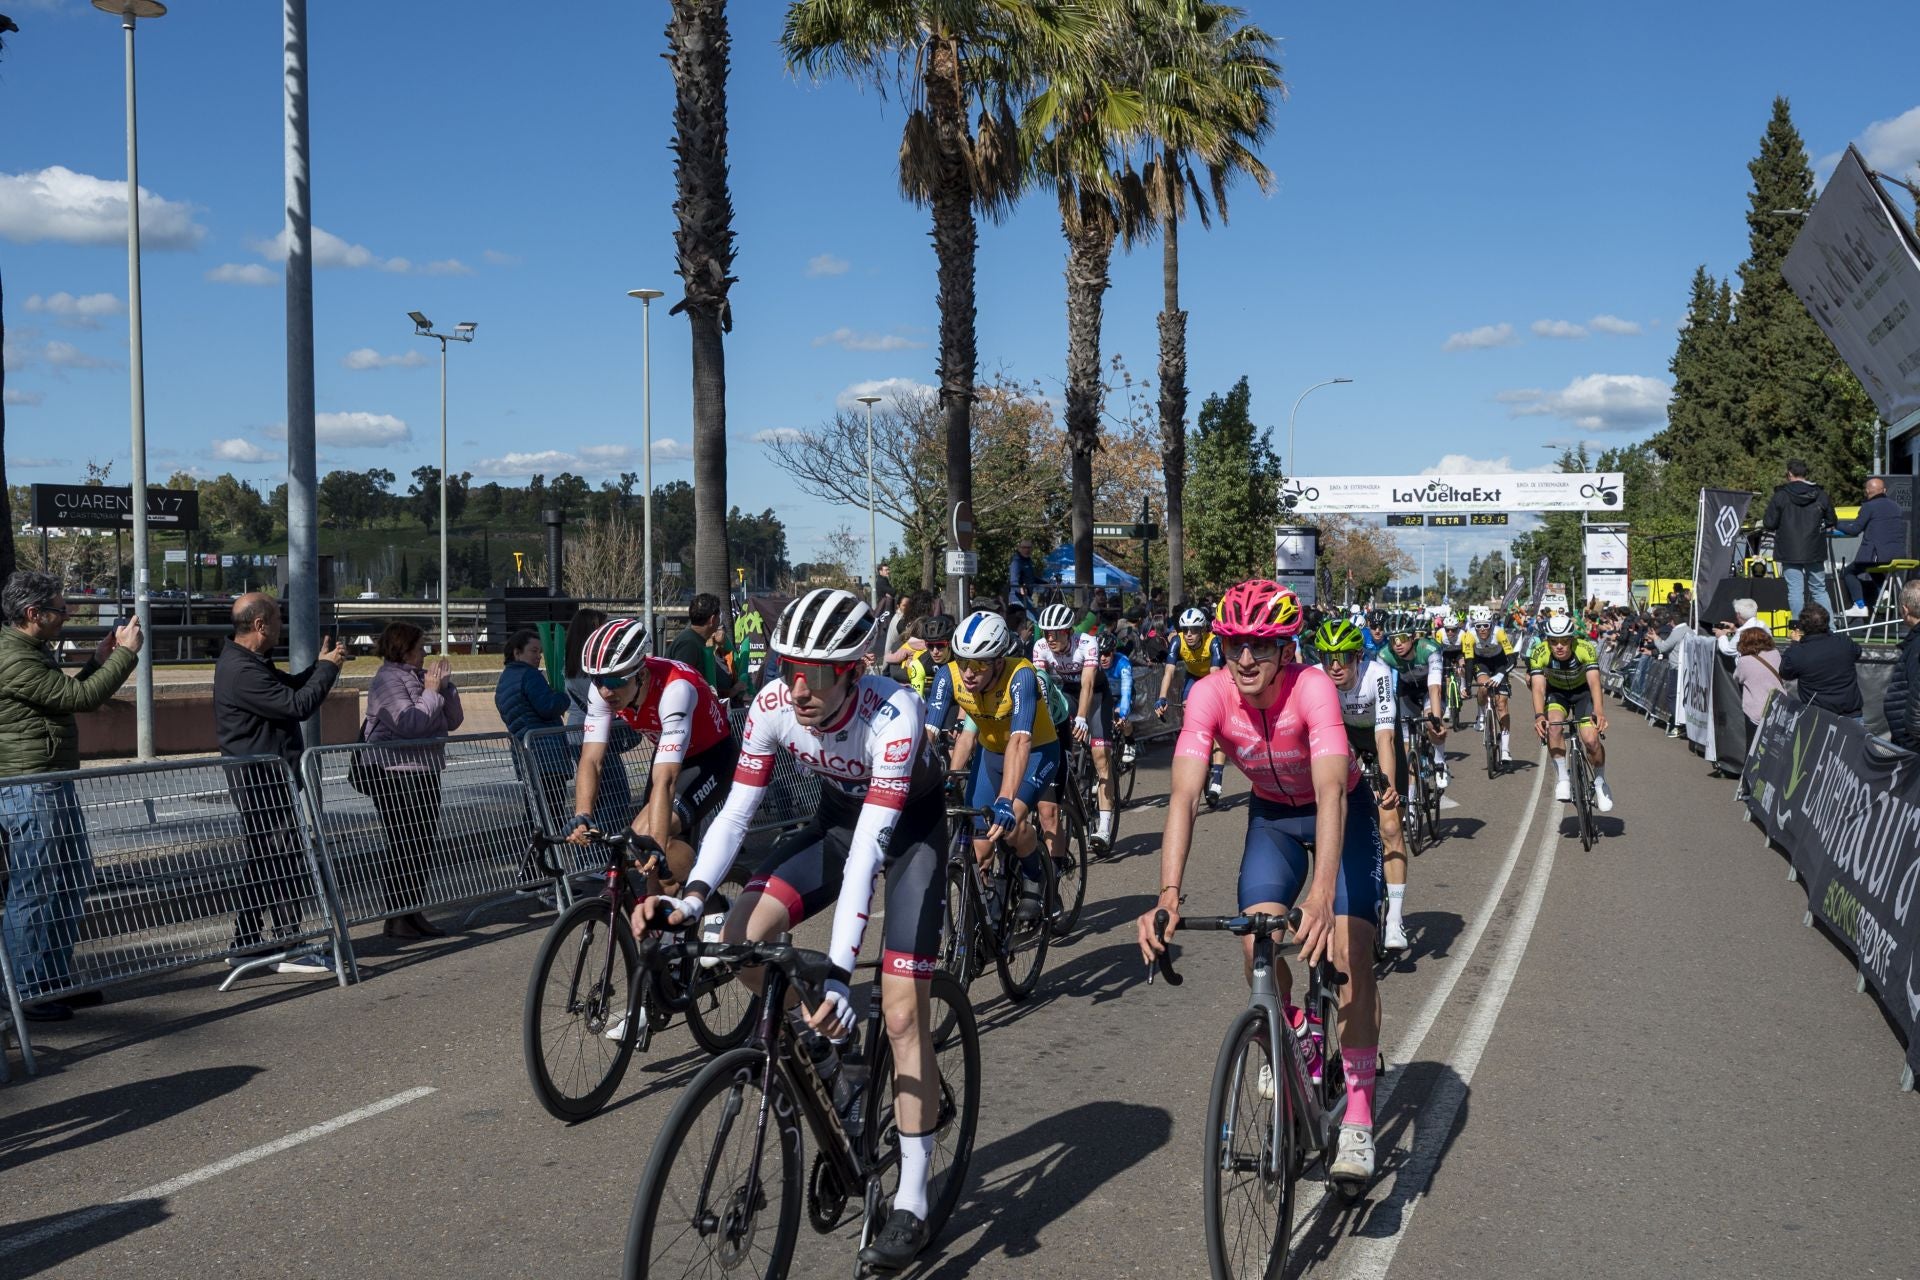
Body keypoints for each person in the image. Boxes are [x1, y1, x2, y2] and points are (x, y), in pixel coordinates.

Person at [640, 588, 948, 1271]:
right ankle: (827, 1046)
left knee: (901, 1019)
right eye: (787, 667)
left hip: (909, 835)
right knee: (735, 937)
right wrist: (691, 900)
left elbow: (874, 848)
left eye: (814, 671)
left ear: (854, 669)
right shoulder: (776, 705)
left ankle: (915, 1198)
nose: (796, 686)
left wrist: (841, 972)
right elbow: (736, 812)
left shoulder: (895, 711)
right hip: (837, 821)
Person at [1137, 581, 1385, 1186]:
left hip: (1339, 814)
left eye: (1262, 647)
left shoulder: (1314, 687)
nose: (1245, 660)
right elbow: (1185, 796)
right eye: (1233, 646)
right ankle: (1293, 1024)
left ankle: (1356, 1113)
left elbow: (1331, 792)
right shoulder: (1208, 695)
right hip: (1273, 815)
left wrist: (1322, 897)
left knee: (1348, 949)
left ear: (1286, 650)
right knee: (1256, 940)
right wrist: (1167, 895)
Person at [0, 571, 141, 1021]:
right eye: (60, 609)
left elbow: (64, 695)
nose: (66, 615)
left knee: (70, 880)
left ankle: (53, 979)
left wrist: (101, 659)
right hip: (30, 785)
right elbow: (80, 699)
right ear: (32, 614)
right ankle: (23, 990)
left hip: (49, 781)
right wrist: (125, 656)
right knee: (35, 889)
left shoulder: (29, 650)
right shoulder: (13, 659)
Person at [213, 592, 349, 972]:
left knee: (265, 860)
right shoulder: (241, 670)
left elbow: (289, 690)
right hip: (260, 780)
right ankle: (289, 942)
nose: (281, 626)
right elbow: (297, 706)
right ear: (260, 625)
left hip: (268, 777)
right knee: (284, 858)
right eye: (277, 619)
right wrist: (328, 670)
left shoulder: (249, 662)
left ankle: (247, 941)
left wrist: (322, 666)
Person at [566, 617, 737, 900]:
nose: (605, 690)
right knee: (649, 866)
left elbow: (666, 779)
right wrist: (582, 814)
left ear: (640, 674)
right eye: (597, 680)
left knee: (644, 840)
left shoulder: (675, 689)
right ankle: (662, 923)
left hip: (710, 759)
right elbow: (591, 759)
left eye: (614, 680)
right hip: (671, 754)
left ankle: (706, 882)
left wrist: (655, 846)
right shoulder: (603, 692)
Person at [924, 610, 1061, 927]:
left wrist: (1005, 800)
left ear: (999, 661)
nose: (969, 673)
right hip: (991, 755)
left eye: (980, 663)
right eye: (963, 661)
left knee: (1011, 823)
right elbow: (927, 736)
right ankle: (988, 911)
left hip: (1037, 751)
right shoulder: (949, 676)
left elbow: (1020, 742)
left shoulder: (1021, 676)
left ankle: (1033, 878)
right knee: (981, 847)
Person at [1313, 616, 1412, 953]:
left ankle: (1395, 920)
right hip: (1347, 742)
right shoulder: (1319, 681)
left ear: (1359, 656)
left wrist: (1386, 783)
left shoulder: (1378, 673)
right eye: (1328, 658)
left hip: (1380, 737)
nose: (1336, 666)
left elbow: (1385, 737)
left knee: (1389, 825)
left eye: (1344, 657)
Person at [364, 622, 465, 939]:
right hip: (396, 773)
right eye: (421, 647)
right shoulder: (386, 681)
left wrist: (445, 688)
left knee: (421, 844)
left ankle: (413, 910)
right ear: (404, 649)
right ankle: (397, 914)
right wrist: (432, 693)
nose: (426, 653)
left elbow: (453, 720)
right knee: (403, 844)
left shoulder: (421, 679)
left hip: (425, 769)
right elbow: (410, 722)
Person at [1033, 601, 1114, 846]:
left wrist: (1081, 718)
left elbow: (1088, 684)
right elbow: (1040, 684)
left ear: (1068, 631)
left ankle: (1105, 826)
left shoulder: (1086, 644)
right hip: (1067, 692)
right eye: (1046, 632)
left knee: (1101, 756)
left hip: (1097, 694)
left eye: (1055, 633)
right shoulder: (1040, 647)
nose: (1050, 638)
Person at [495, 626, 572, 860]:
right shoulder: (529, 675)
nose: (538, 656)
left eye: (539, 651)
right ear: (517, 652)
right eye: (533, 651)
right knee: (549, 817)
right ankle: (541, 874)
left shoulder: (506, 678)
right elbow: (548, 706)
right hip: (546, 755)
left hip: (528, 755)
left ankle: (533, 875)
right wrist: (563, 696)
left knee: (536, 814)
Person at [1527, 614, 1612, 811]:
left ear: (1572, 639)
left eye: (1564, 641)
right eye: (1554, 641)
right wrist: (1539, 716)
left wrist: (1599, 711)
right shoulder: (1539, 653)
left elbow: (1594, 681)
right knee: (1554, 728)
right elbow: (1538, 688)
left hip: (1583, 693)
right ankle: (1563, 779)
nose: (1559, 646)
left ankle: (1600, 782)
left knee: (1591, 740)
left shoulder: (1585, 648)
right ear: (1547, 640)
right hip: (1557, 694)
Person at [1157, 606, 1227, 806]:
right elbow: (1169, 672)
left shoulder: (1213, 642)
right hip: (1194, 677)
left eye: (1194, 630)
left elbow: (1214, 676)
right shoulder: (1177, 641)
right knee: (1188, 711)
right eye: (1185, 629)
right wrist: (1162, 697)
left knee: (1216, 728)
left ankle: (1218, 777)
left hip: (1214, 678)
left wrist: (1204, 700)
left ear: (1203, 630)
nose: (1189, 634)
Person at [1375, 614, 1450, 791]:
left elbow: (1434, 688)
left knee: (1433, 725)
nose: (1397, 644)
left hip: (1429, 689)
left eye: (1402, 638)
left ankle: (1440, 763)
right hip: (1407, 691)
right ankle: (1411, 803)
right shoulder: (1384, 655)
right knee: (1407, 747)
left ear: (1413, 637)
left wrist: (1436, 719)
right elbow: (1385, 692)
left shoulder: (1429, 648)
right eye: (1393, 640)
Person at [1763, 458, 1840, 618]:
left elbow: (1769, 523)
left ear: (1789, 474)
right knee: (1819, 590)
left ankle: (1799, 628)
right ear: (1805, 474)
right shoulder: (1820, 494)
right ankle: (1829, 628)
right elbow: (1832, 520)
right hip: (1814, 549)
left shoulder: (1781, 496)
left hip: (1789, 549)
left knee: (1795, 591)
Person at [1833, 477, 1911, 617]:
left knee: (1848, 572)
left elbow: (1855, 529)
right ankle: (1884, 591)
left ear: (1867, 491)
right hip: (1898, 555)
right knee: (1871, 567)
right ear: (1885, 490)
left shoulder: (1868, 506)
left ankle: (1859, 606)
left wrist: (1836, 524)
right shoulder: (1896, 506)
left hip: (1878, 555)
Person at [1778, 603, 1863, 719]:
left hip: (1820, 720)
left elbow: (1784, 671)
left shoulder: (1799, 652)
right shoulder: (1844, 642)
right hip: (1848, 715)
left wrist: (1795, 644)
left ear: (1803, 626)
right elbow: (1857, 651)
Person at [1463, 615, 1515, 763]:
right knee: (1484, 687)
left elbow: (1512, 659)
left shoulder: (1499, 632)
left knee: (1502, 704)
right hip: (1481, 662)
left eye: (1485, 625)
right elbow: (1469, 662)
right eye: (1478, 626)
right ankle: (1480, 714)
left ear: (1491, 625)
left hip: (1499, 662)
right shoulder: (1469, 635)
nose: (1482, 629)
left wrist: (1501, 675)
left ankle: (1505, 749)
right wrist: (1466, 685)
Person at [666, 593, 736, 700]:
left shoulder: (694, 640)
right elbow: (680, 685)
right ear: (712, 619)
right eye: (719, 616)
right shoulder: (689, 644)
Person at [1730, 626, 1783, 746]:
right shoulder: (1775, 654)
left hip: (1756, 711)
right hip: (1778, 706)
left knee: (1753, 747)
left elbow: (1737, 677)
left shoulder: (1744, 661)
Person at [1883, 581, 1920, 751]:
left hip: (1911, 746)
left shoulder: (1916, 647)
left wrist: (1911, 743)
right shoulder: (1913, 644)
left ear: (1905, 610)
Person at [1007, 538, 1039, 610]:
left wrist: (1048, 583)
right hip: (1017, 600)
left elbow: (1032, 578)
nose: (1027, 550)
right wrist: (1020, 589)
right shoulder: (1016, 562)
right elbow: (1013, 581)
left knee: (1037, 617)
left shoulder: (1028, 561)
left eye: (1029, 548)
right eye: (1024, 547)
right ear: (1019, 548)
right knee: (1037, 620)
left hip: (1027, 598)